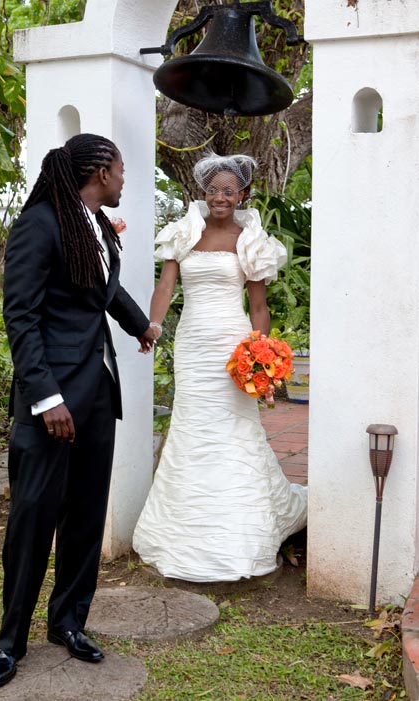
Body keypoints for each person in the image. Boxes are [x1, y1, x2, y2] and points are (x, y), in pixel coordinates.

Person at [0, 133, 157, 688]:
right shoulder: (40, 222)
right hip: (52, 401)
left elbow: (102, 291)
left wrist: (142, 326)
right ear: (100, 171)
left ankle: (69, 622)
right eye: (121, 170)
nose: (125, 180)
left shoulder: (94, 223)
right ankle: (10, 639)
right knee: (33, 518)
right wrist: (46, 397)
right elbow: (21, 317)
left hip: (97, 394)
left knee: (85, 516)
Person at [133, 153, 307, 583]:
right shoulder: (184, 234)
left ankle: (240, 532)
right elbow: (165, 286)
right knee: (193, 426)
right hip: (192, 344)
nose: (220, 197)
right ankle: (182, 532)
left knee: (233, 427)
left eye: (229, 191)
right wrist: (153, 326)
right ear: (203, 193)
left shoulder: (252, 241)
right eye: (213, 190)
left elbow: (259, 306)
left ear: (243, 195)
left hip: (234, 344)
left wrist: (260, 354)